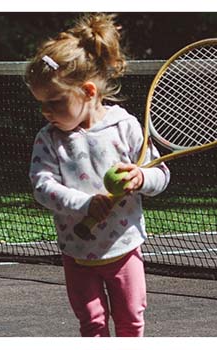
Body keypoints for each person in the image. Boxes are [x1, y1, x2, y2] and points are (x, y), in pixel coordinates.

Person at [24, 13, 169, 337]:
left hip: (123, 247)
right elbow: (42, 186)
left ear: (88, 91)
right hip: (76, 252)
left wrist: (142, 179)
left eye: (55, 102)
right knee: (92, 324)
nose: (47, 112)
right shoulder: (49, 138)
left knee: (131, 320)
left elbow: (160, 174)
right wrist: (85, 204)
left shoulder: (125, 126)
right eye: (41, 104)